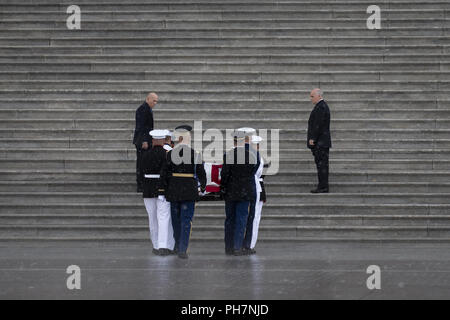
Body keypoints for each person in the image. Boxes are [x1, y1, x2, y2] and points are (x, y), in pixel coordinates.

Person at [160, 125, 207, 259]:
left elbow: (165, 173)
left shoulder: (170, 154)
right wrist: (202, 188)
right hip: (189, 190)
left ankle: (177, 245)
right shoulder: (195, 154)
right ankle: (182, 248)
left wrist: (163, 189)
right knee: (186, 220)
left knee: (176, 220)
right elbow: (201, 173)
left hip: (174, 190)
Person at [221, 130, 257, 256]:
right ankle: (237, 246)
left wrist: (224, 187)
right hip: (245, 191)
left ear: (234, 141)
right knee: (241, 220)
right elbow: (253, 171)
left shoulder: (229, 155)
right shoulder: (251, 155)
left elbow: (224, 174)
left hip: (231, 191)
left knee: (230, 219)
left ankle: (229, 247)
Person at [141, 130, 175, 256]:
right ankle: (163, 246)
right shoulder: (167, 154)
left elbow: (141, 172)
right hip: (162, 189)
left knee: (152, 219)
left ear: (153, 141)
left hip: (148, 189)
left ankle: (155, 245)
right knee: (164, 218)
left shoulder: (145, 154)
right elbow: (168, 173)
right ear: (163, 140)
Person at [243, 135, 266, 254]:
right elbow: (258, 174)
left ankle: (248, 243)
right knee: (254, 217)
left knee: (251, 217)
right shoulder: (256, 157)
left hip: (252, 186)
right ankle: (250, 244)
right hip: (255, 187)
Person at [307, 88, 332, 193]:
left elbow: (318, 125)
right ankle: (322, 186)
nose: (311, 99)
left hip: (321, 142)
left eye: (312, 96)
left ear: (319, 96)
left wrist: (313, 138)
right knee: (321, 165)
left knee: (322, 165)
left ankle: (323, 187)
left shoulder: (321, 107)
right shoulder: (321, 106)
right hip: (322, 141)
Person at [133, 92, 158, 192]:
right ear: (148, 99)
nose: (155, 103)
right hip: (142, 141)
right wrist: (144, 140)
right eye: (154, 100)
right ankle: (141, 185)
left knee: (144, 162)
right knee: (141, 163)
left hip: (146, 140)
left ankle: (143, 183)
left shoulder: (147, 108)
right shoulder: (143, 109)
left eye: (156, 101)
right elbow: (141, 126)